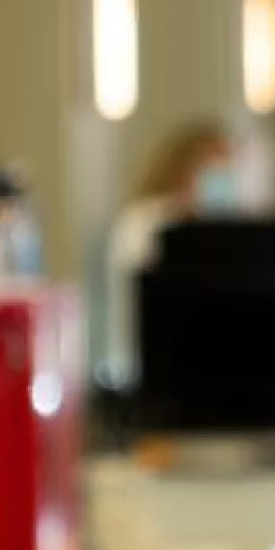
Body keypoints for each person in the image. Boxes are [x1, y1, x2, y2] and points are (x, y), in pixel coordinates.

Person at [101, 119, 239, 388]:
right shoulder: (143, 222)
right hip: (144, 368)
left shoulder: (215, 228)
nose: (219, 183)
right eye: (211, 172)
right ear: (182, 170)